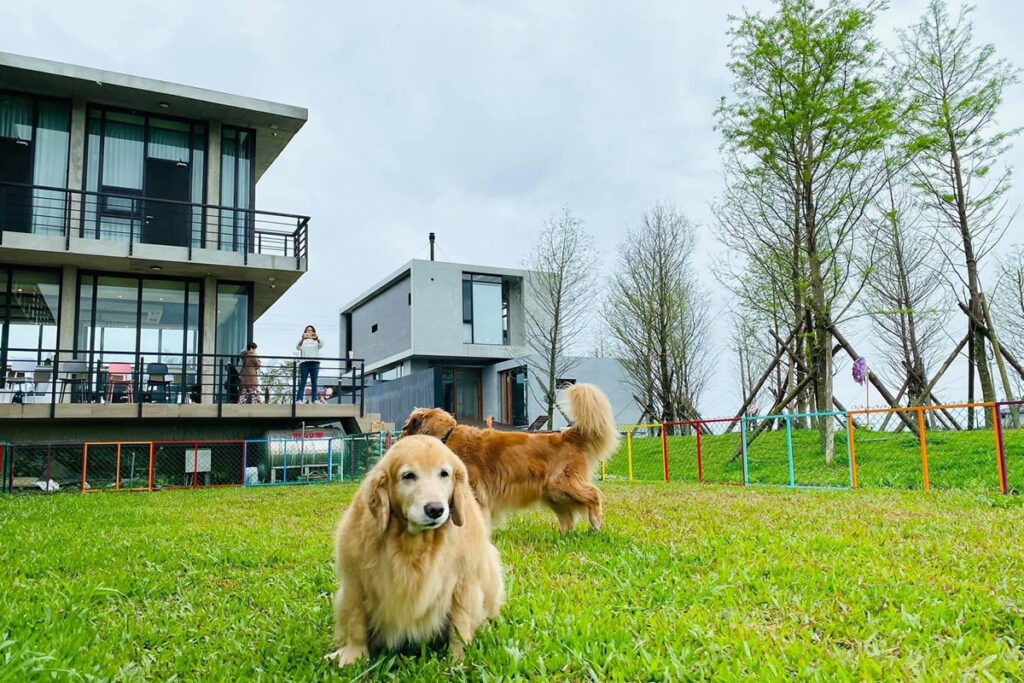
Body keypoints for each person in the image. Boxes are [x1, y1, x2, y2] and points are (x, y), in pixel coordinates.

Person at [296, 325, 323, 403]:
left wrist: (317, 338)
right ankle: (299, 399)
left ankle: (315, 399)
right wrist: (302, 339)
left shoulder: (316, 341)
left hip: (315, 362)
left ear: (314, 332)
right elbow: (298, 347)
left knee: (314, 381)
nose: (309, 332)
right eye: (307, 330)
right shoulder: (303, 341)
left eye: (311, 330)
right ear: (305, 332)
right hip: (304, 363)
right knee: (303, 381)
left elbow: (321, 344)